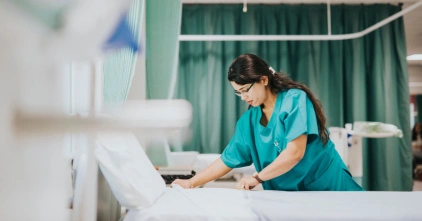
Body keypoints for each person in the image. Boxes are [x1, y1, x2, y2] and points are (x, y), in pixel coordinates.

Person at [172, 54, 364, 191]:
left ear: (263, 80)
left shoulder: (294, 100)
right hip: (290, 196)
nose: (243, 97)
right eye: (238, 92)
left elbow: (295, 153)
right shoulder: (248, 121)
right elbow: (226, 160)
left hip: (326, 185)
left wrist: (257, 178)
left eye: (245, 90)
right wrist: (191, 183)